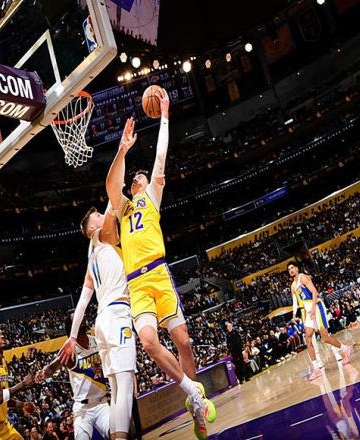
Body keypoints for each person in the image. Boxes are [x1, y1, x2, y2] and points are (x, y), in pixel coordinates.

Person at [105, 91, 215, 440]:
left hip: (159, 274)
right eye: (133, 179)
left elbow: (161, 156)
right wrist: (122, 150)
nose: (135, 181)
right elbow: (111, 185)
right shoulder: (122, 208)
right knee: (149, 342)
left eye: (138, 178)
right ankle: (193, 393)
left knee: (184, 341)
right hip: (137, 283)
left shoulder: (151, 196)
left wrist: (165, 114)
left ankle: (196, 406)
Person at [57, 203, 136, 440]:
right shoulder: (102, 236)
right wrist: (116, 192)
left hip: (102, 321)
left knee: (117, 388)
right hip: (117, 314)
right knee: (125, 386)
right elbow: (113, 205)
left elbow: (82, 302)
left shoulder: (92, 260)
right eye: (98, 216)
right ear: (93, 229)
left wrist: (72, 337)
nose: (103, 216)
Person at [36, 316, 110, 440]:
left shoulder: (96, 341)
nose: (81, 320)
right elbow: (54, 366)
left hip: (101, 402)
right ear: (72, 327)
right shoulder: (70, 349)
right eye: (76, 320)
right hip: (82, 408)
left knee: (118, 433)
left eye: (81, 318)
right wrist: (43, 373)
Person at [288, 262, 352, 380]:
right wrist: (294, 314)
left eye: (292, 268)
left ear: (297, 269)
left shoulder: (303, 277)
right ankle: (316, 369)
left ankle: (344, 348)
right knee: (308, 339)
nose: (291, 270)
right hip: (306, 310)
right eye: (289, 269)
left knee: (325, 337)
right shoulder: (292, 285)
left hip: (316, 306)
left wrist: (313, 307)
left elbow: (314, 292)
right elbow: (295, 301)